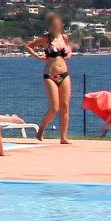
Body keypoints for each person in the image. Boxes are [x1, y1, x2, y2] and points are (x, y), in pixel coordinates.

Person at [24, 13, 73, 144]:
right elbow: (28, 46)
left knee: (65, 106)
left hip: (64, 74)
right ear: (51, 25)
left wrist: (69, 54)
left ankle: (63, 137)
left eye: (59, 24)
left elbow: (70, 50)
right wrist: (37, 56)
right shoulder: (46, 39)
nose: (57, 26)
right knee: (54, 107)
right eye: (55, 24)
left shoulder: (64, 38)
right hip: (50, 75)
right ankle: (42, 128)